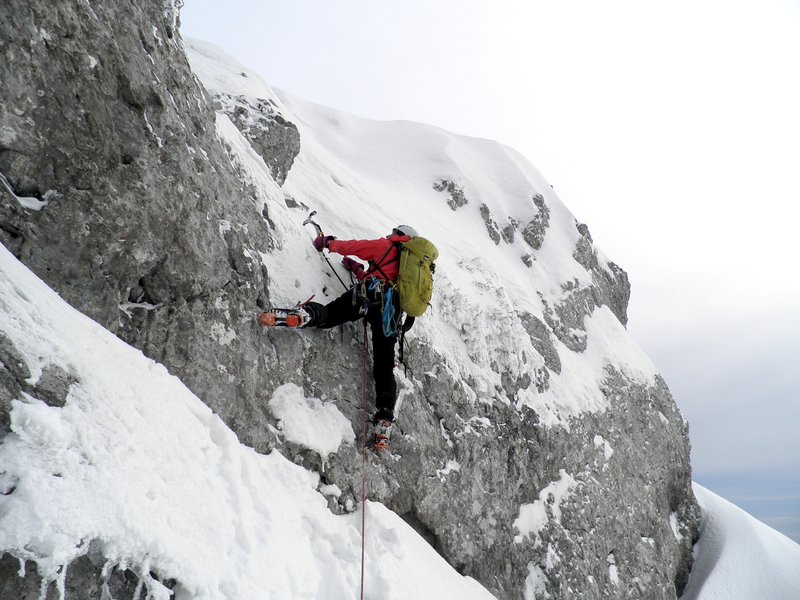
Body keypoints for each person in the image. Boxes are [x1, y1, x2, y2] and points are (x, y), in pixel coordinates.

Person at [300, 224, 419, 450]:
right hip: (390, 313)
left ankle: (306, 316)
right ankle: (384, 420)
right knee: (384, 367)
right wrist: (356, 269)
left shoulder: (386, 246)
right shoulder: (409, 267)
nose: (390, 233)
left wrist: (327, 243)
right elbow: (385, 277)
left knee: (331, 314)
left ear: (401, 236)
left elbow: (355, 247)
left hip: (368, 296)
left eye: (395, 231)